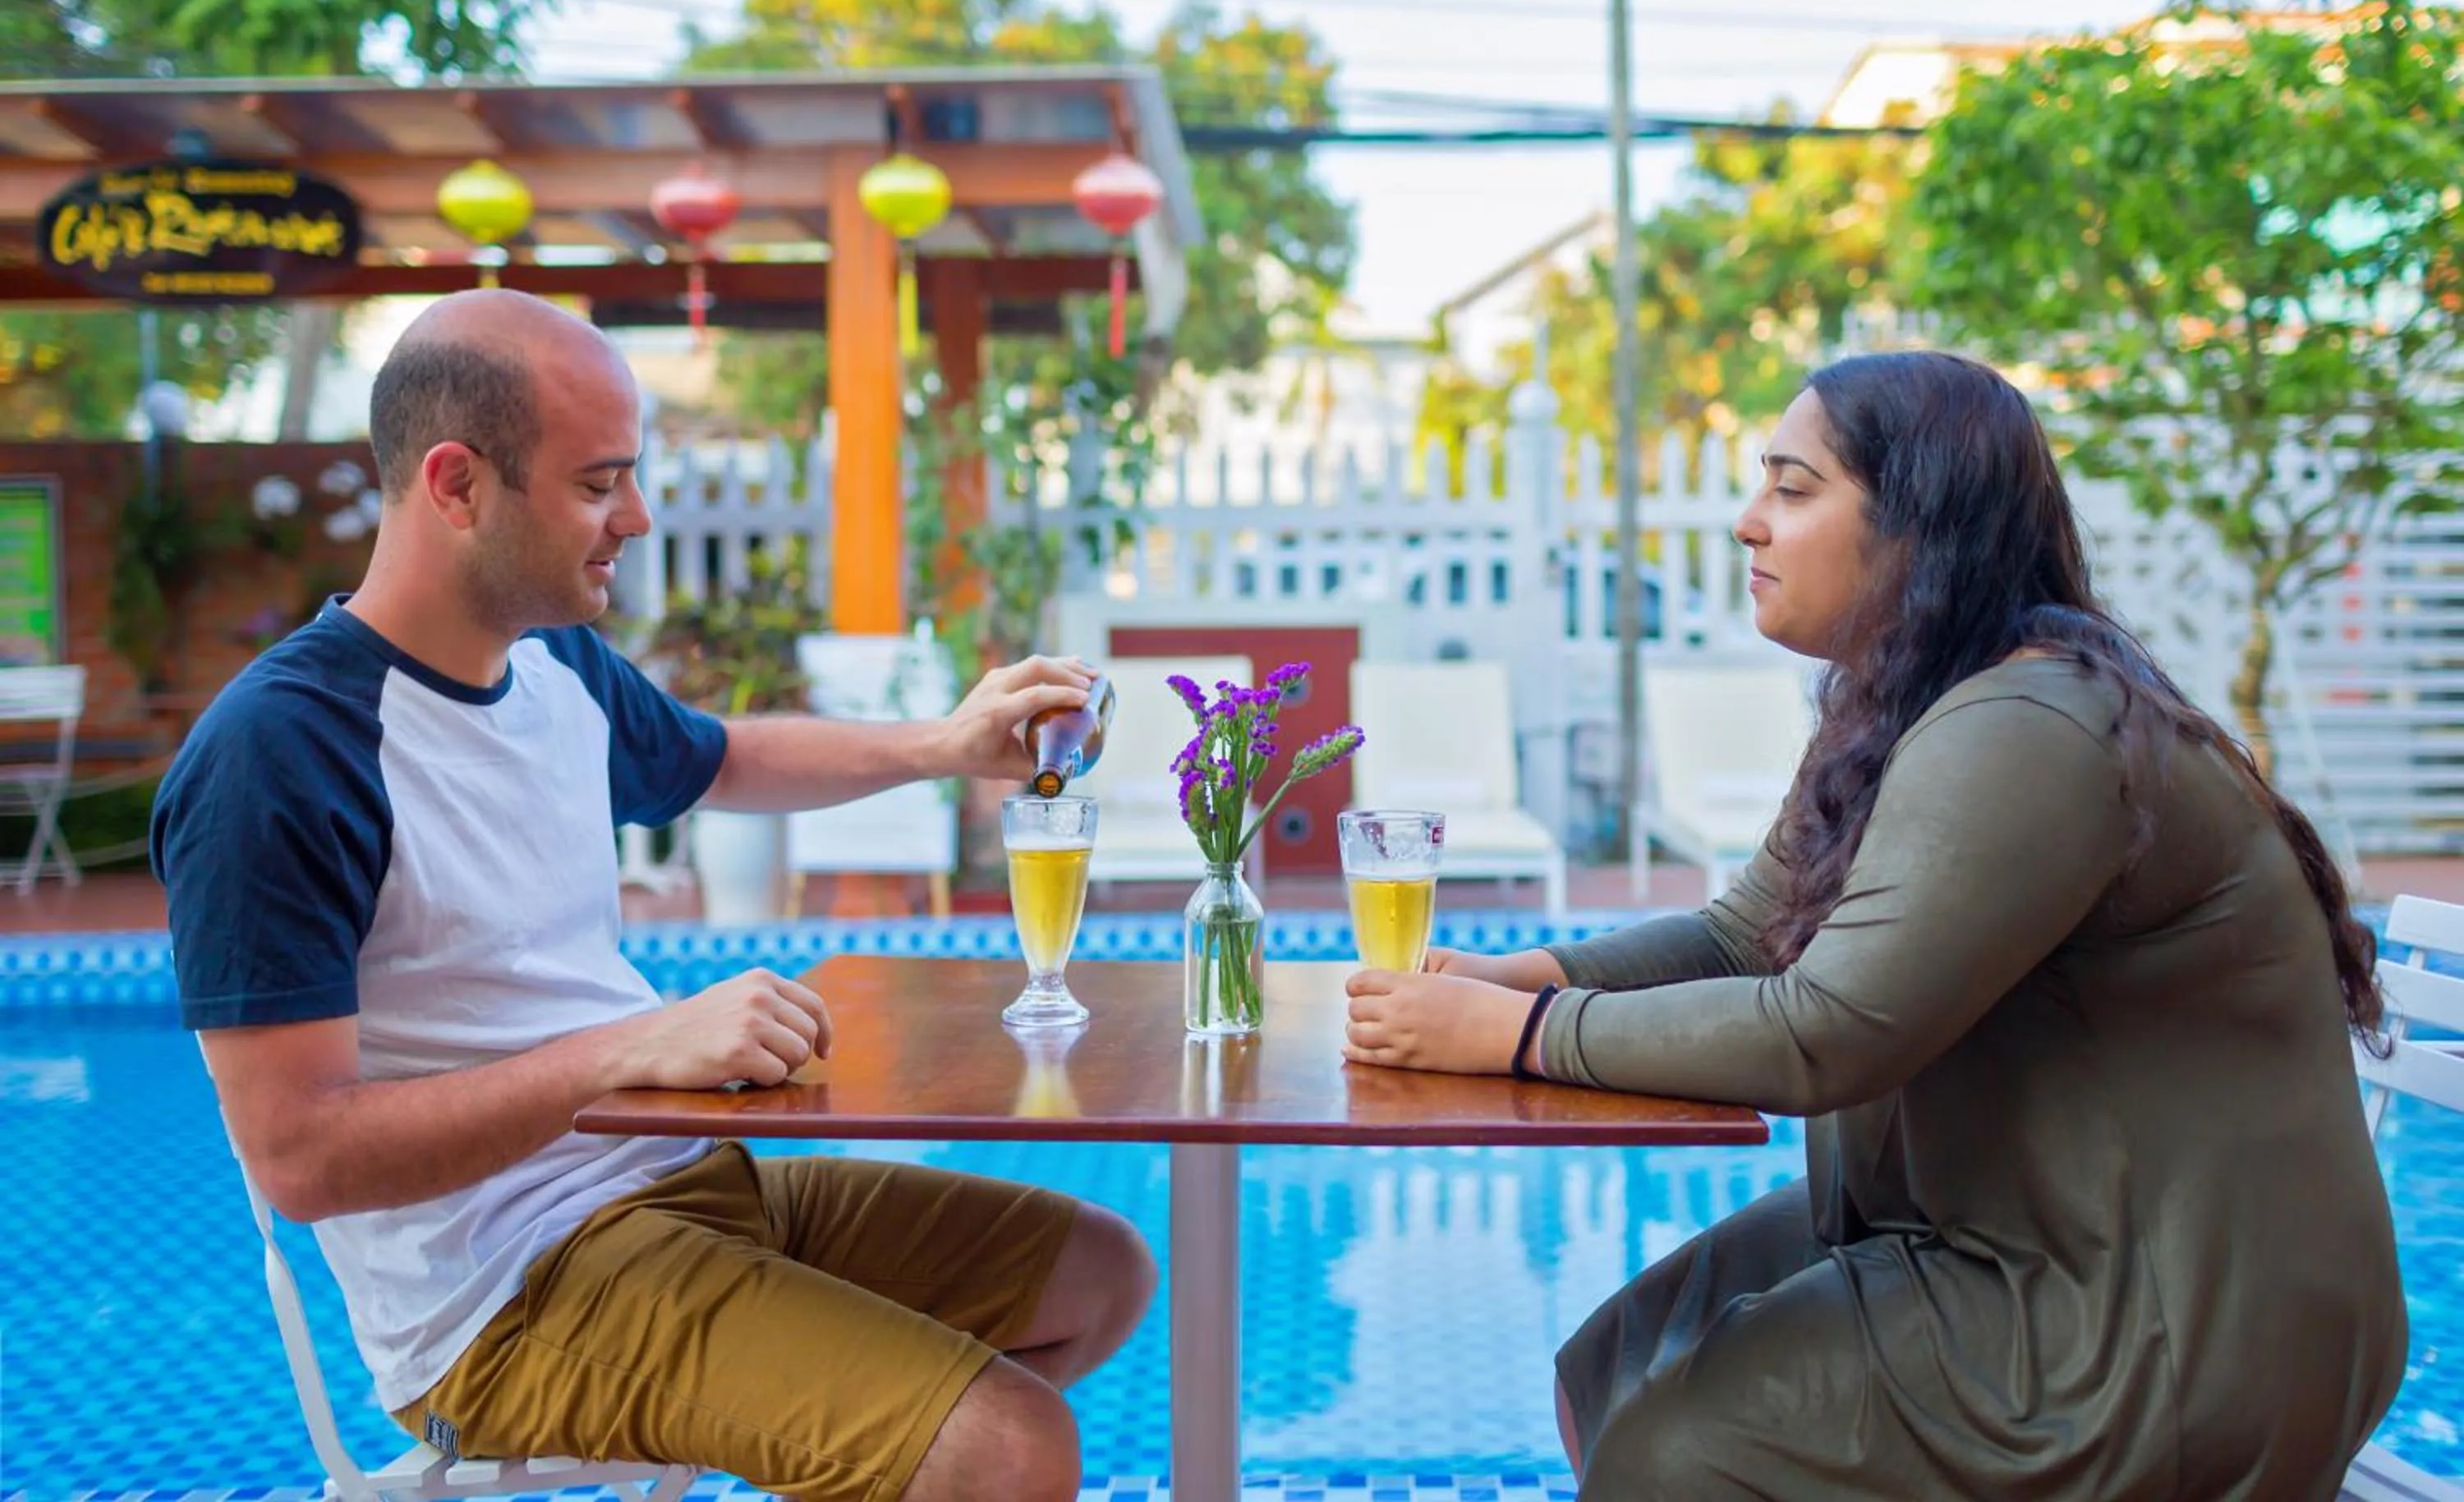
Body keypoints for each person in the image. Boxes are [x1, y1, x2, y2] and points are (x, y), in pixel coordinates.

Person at [1340, 351, 2407, 1499]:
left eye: (1795, 492)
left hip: (2166, 1325)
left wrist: (1516, 1036)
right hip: (2006, 1229)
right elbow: (1747, 935)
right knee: (1611, 1365)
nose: (1750, 525)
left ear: (1921, 528)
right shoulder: (1908, 704)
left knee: (1673, 1455)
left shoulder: (2032, 727)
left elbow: (1828, 1032)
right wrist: (1523, 975)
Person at [151, 289, 1155, 1502]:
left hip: (677, 1182)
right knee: (1008, 1445)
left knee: (1097, 1274)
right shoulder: (282, 755)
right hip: (503, 1292)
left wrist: (945, 747)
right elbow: (300, 1159)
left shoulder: (551, 664)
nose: (635, 515)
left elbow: (720, 758)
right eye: (597, 483)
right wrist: (626, 1053)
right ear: (456, 486)